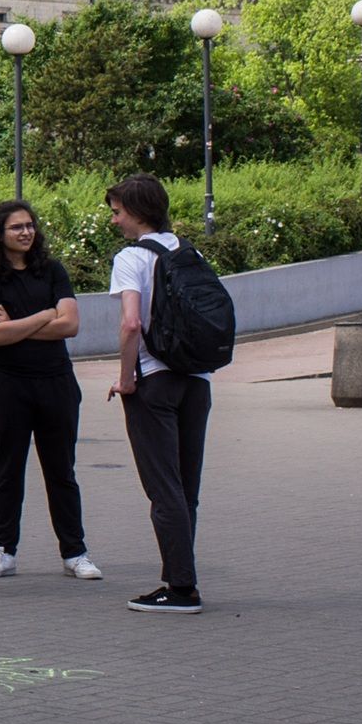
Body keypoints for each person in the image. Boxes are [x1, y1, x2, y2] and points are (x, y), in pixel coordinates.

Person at [0, 199, 100, 580]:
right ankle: (3, 551)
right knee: (7, 469)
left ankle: (75, 552)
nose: (26, 232)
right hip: (6, 384)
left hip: (56, 382)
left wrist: (18, 324)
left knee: (62, 470)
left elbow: (70, 325)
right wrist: (45, 315)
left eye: (29, 225)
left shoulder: (53, 270)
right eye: (16, 227)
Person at [108, 175, 210, 613]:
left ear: (136, 212)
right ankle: (179, 575)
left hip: (155, 379)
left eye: (117, 211)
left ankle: (181, 587)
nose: (114, 220)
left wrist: (127, 377)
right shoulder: (190, 252)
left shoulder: (131, 258)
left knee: (162, 486)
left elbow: (132, 324)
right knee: (186, 486)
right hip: (197, 378)